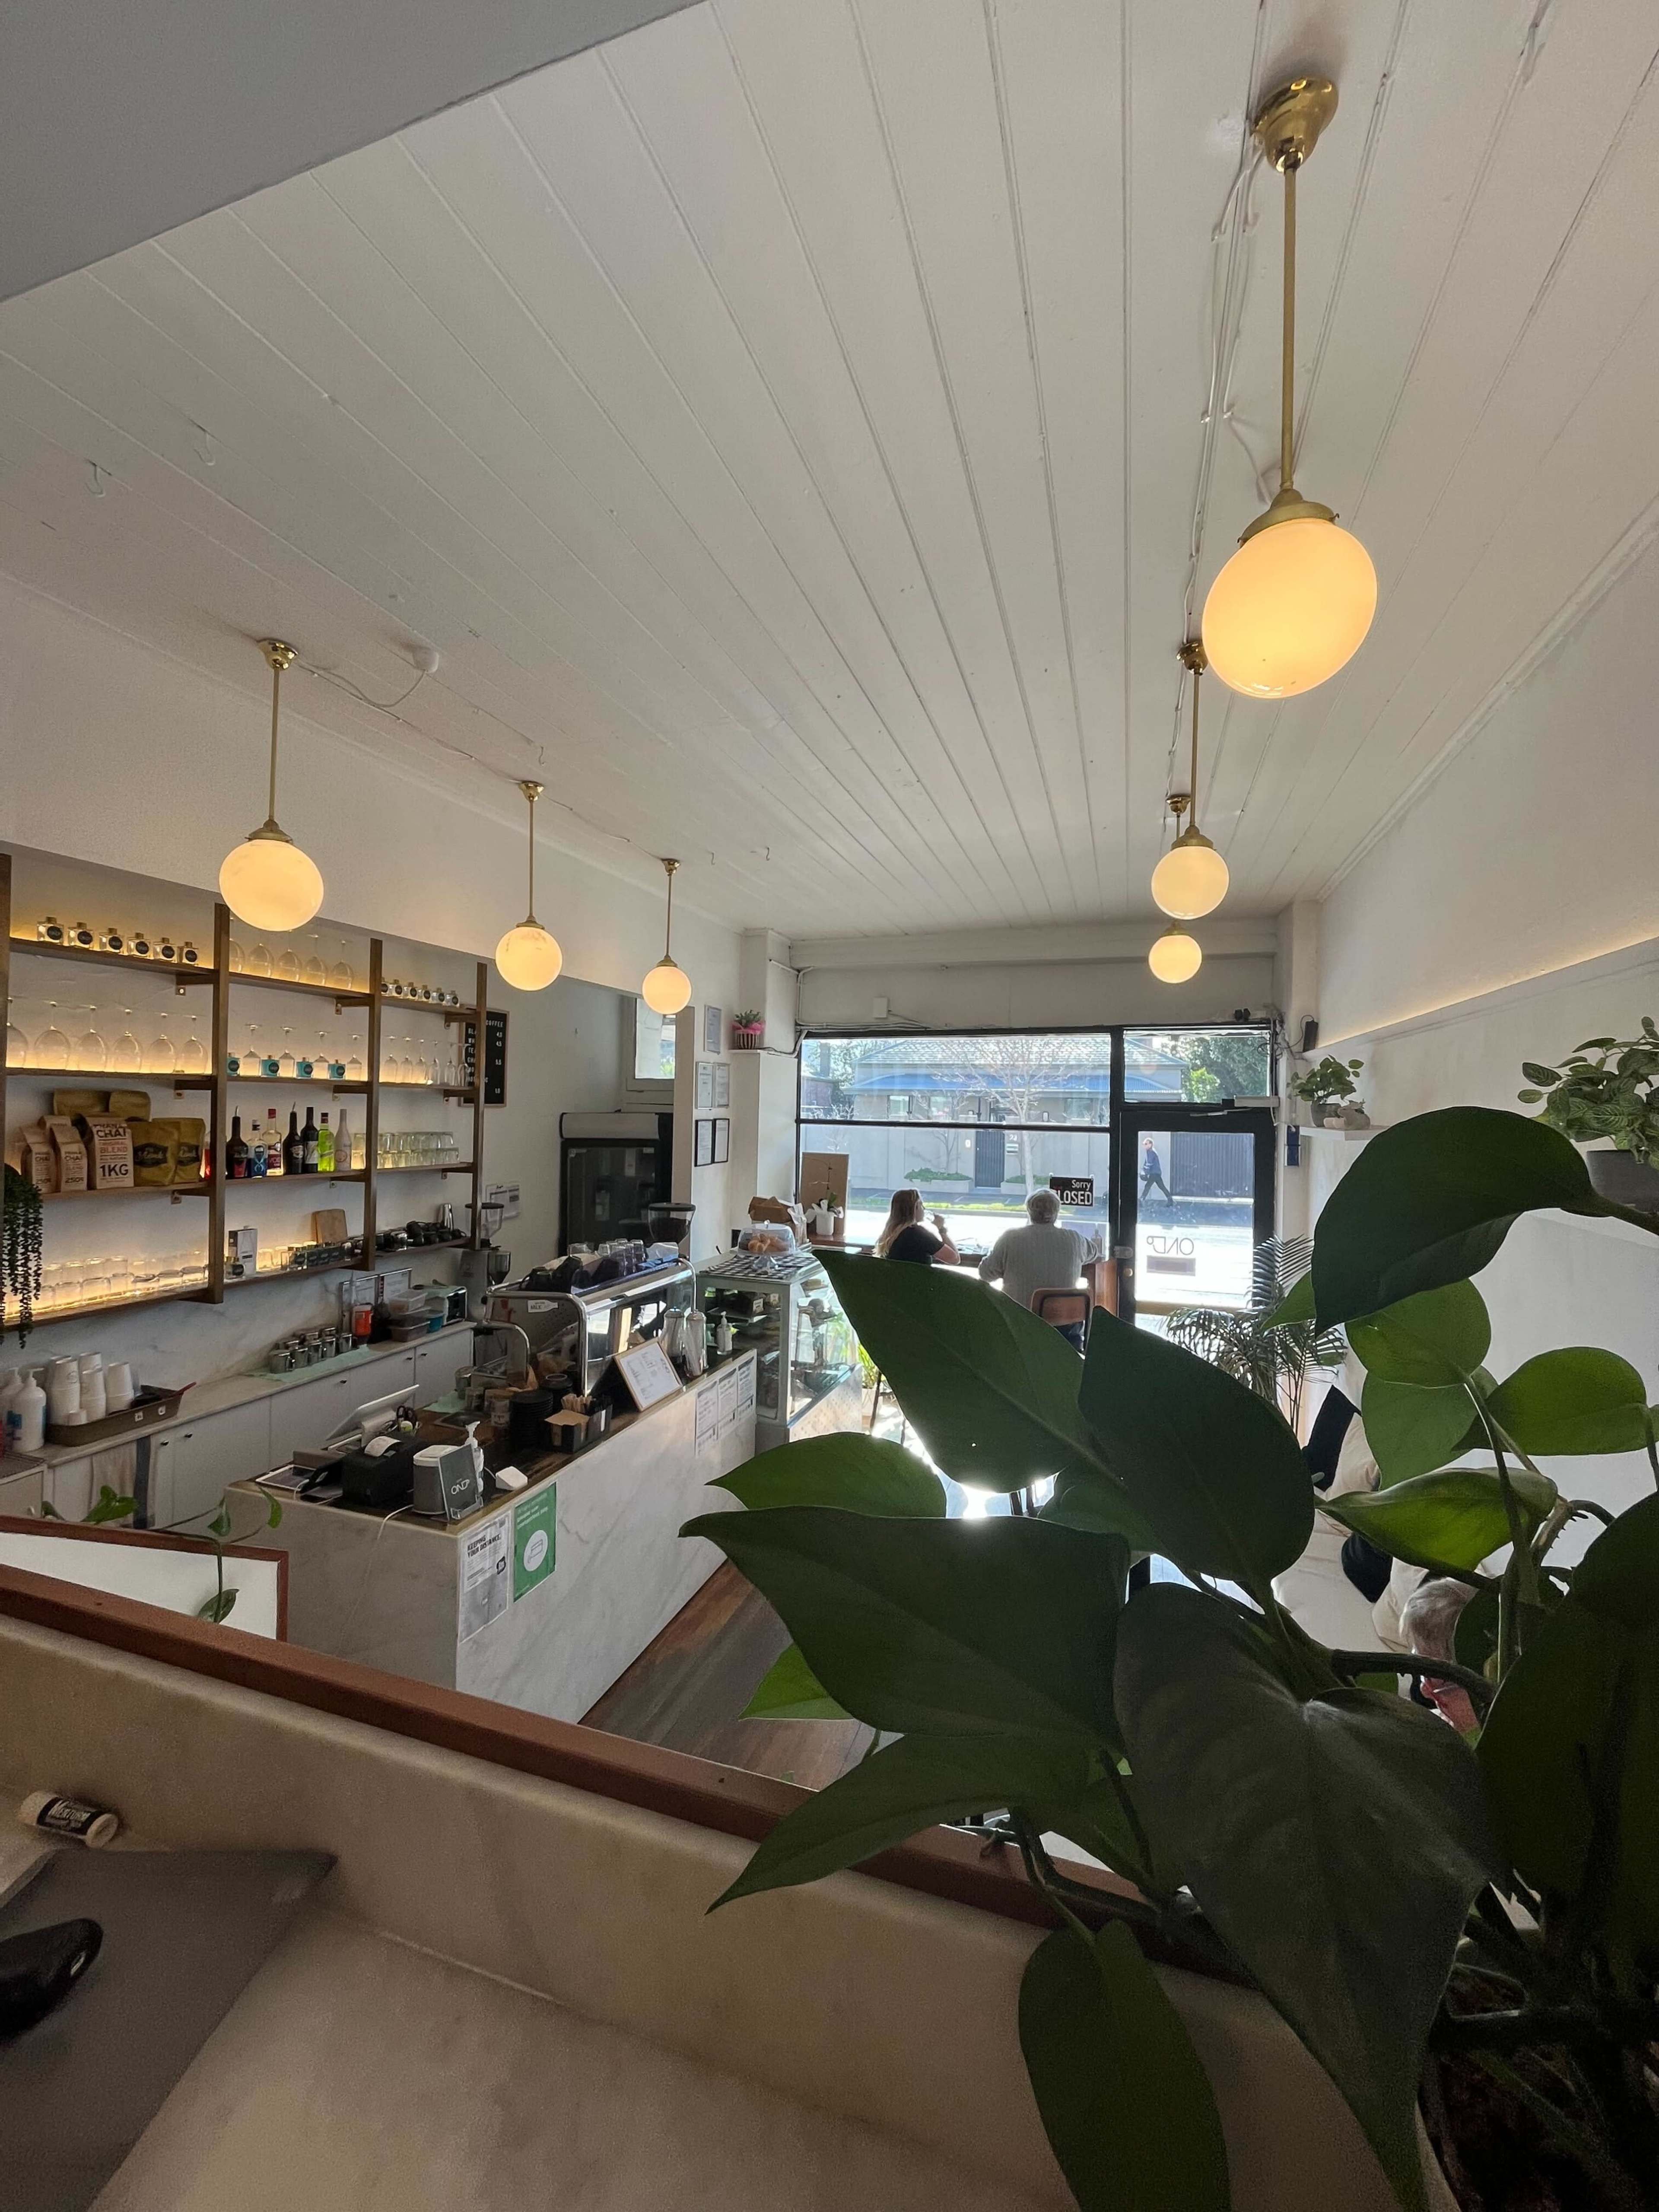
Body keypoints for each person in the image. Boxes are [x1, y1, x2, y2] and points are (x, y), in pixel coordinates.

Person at [978, 1188, 1102, 1349]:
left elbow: (985, 1274)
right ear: (1056, 1213)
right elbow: (1094, 1253)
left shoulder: (1011, 1238)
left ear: (1029, 1212)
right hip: (1065, 1330)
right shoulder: (1074, 1239)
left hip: (1018, 1327)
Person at [875, 1188, 960, 1267]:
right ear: (915, 1208)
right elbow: (955, 1259)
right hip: (917, 1282)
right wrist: (942, 1230)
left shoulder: (891, 1232)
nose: (924, 1208)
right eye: (921, 1205)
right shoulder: (917, 1234)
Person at [1139, 1135, 1173, 1205]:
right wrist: (1144, 1171)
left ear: (1150, 1144)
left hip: (1154, 1173)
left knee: (1148, 1186)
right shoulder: (1150, 1152)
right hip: (1156, 1173)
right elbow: (1147, 1163)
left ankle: (1142, 1199)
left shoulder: (1151, 1152)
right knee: (1162, 1187)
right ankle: (1170, 1200)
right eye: (1144, 1144)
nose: (1144, 1146)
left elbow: (1149, 1164)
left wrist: (1145, 1173)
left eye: (1146, 1144)